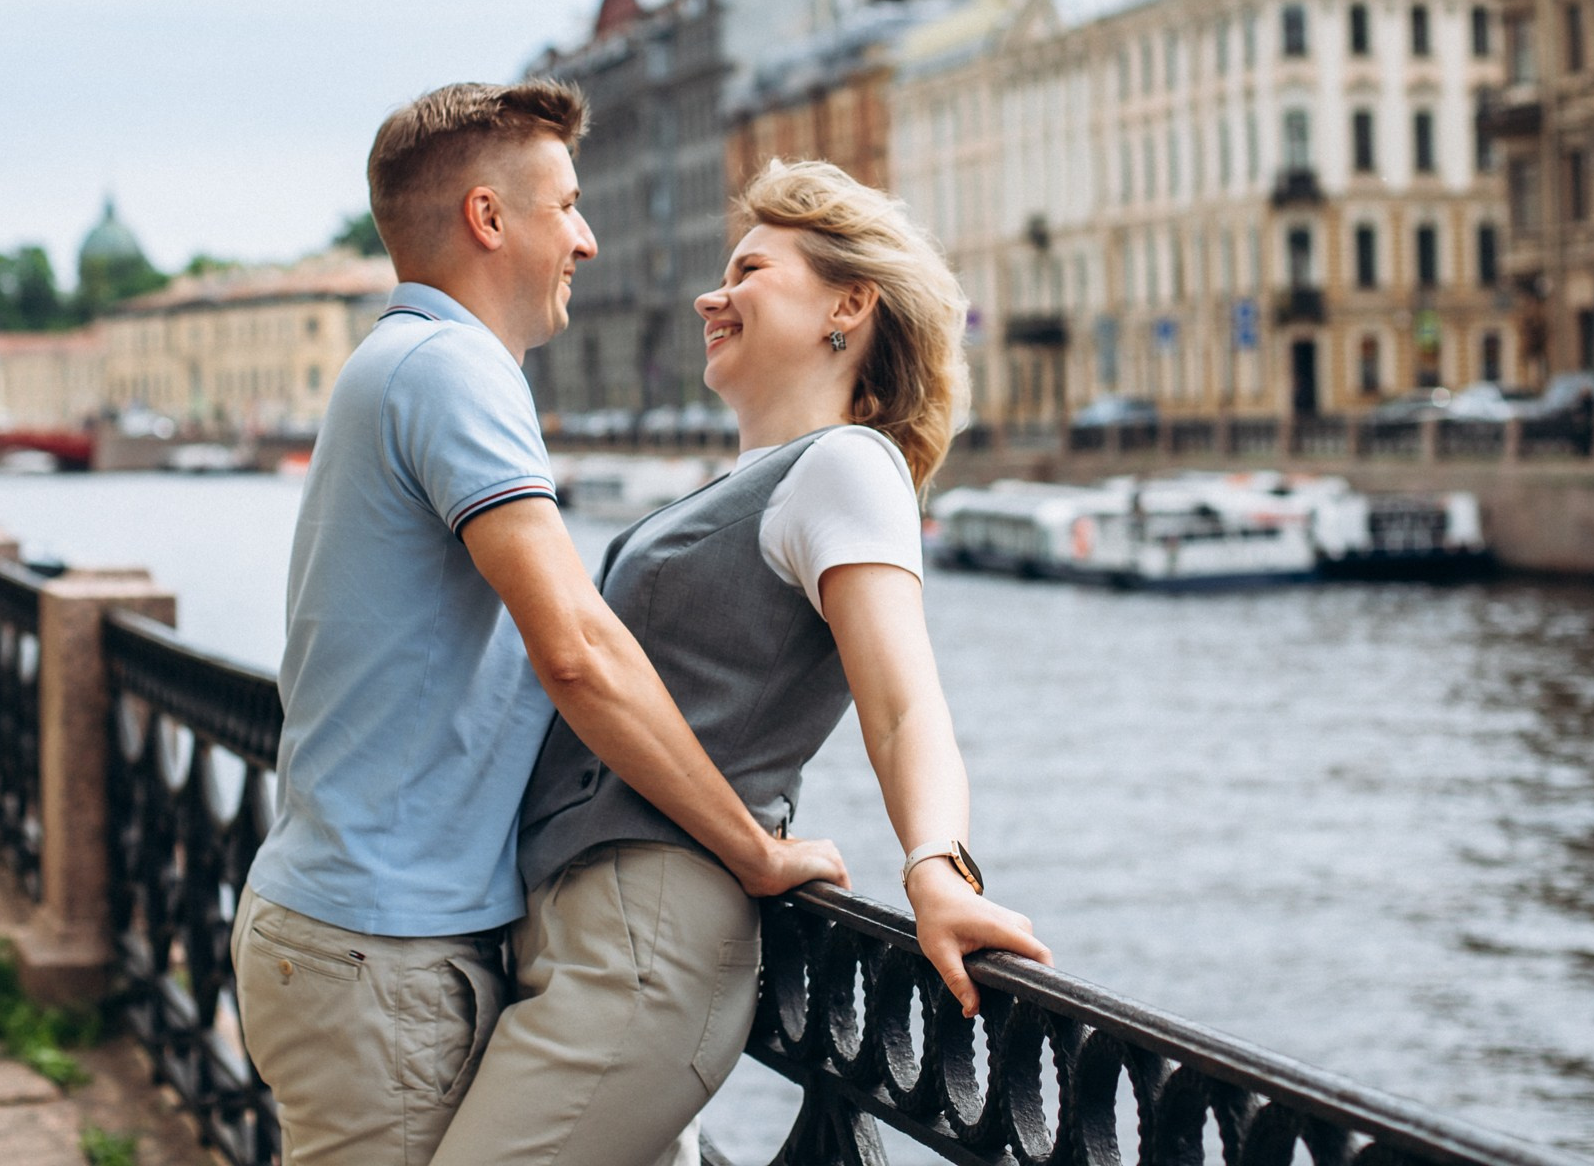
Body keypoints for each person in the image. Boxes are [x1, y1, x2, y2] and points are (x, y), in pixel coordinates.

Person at [232, 82, 847, 1166]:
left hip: (364, 933)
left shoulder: (401, 364)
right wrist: (751, 846)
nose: (587, 237)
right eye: (564, 204)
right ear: (488, 217)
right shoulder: (452, 369)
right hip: (382, 948)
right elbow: (577, 648)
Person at [432, 159, 1052, 1166]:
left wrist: (938, 867)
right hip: (585, 922)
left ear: (847, 305)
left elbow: (902, 703)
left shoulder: (846, 466)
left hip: (648, 933)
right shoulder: (747, 483)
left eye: (749, 268)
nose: (709, 295)